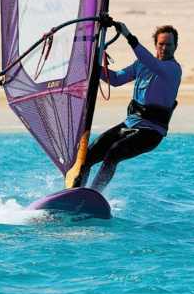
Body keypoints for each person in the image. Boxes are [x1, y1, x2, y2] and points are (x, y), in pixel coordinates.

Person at [65, 18, 182, 192]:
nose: (165, 48)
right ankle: (75, 192)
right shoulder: (141, 64)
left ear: (176, 46)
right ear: (156, 44)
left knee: (114, 153)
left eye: (169, 45)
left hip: (151, 132)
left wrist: (128, 36)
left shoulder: (173, 69)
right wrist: (96, 68)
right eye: (161, 44)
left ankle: (94, 193)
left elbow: (153, 63)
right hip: (130, 124)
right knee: (89, 155)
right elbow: (116, 79)